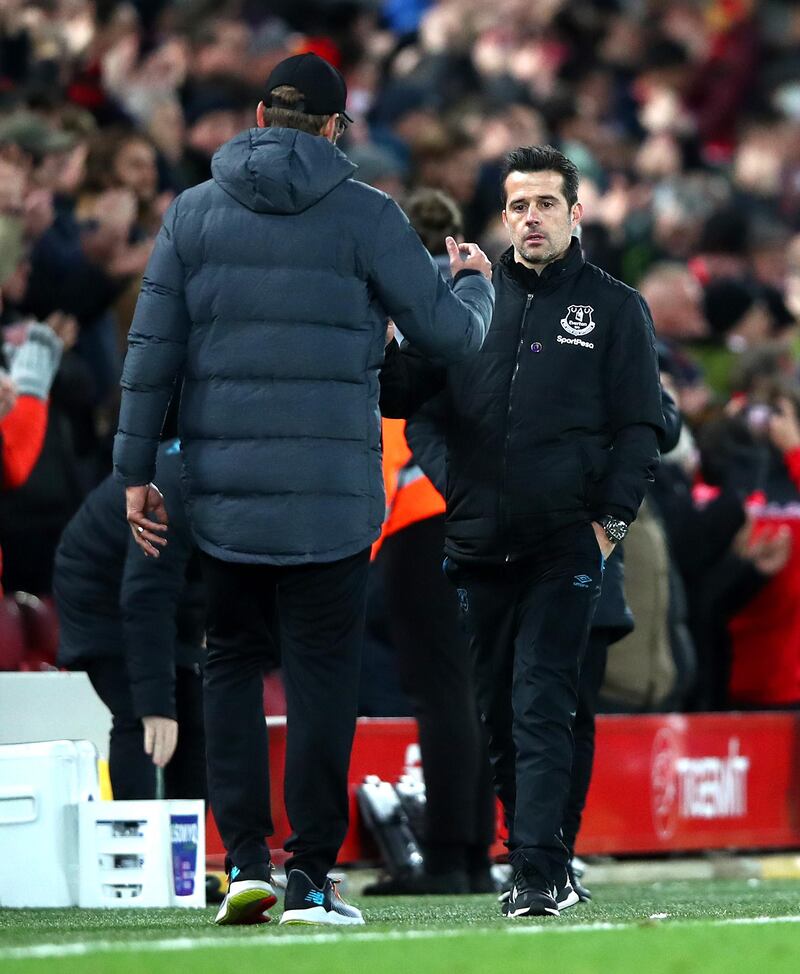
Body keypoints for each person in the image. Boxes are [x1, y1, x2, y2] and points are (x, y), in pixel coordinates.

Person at [112, 52, 494, 927]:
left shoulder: (191, 213)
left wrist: (136, 473)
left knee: (232, 665)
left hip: (221, 491)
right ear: (334, 126)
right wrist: (473, 282)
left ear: (257, 114)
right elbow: (448, 338)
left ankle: (244, 861)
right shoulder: (367, 214)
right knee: (324, 676)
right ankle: (311, 882)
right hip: (331, 496)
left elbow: (149, 357)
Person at [381, 145, 664, 917]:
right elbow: (419, 413)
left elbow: (644, 429)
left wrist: (606, 526)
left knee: (541, 698)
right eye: (518, 206)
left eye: (546, 203)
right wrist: (458, 488)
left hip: (564, 544)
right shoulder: (467, 301)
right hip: (477, 541)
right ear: (503, 218)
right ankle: (545, 860)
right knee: (499, 711)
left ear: (576, 214)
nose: (531, 217)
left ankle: (535, 871)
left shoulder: (614, 308)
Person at [366, 189, 496, 896]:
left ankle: (448, 854)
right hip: (472, 513)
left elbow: (388, 437)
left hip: (421, 520)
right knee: (470, 689)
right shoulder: (467, 316)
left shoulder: (401, 320)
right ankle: (471, 852)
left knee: (442, 690)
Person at [53, 439, 206, 801]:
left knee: (196, 721)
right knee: (142, 716)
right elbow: (146, 598)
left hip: (169, 589)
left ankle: (184, 846)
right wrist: (154, 704)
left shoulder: (252, 482)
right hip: (98, 591)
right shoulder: (172, 494)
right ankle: (134, 845)